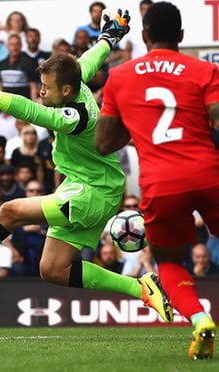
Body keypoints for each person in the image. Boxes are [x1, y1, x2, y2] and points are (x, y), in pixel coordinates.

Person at [0, 9, 173, 326]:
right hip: (87, 185)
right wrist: (109, 37)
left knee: (10, 211)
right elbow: (91, 57)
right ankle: (140, 286)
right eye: (40, 85)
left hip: (93, 193)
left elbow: (33, 113)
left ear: (66, 92)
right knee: (53, 270)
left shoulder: (75, 117)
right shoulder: (76, 76)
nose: (41, 91)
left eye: (46, 87)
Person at [95, 2, 219, 359]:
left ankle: (200, 320)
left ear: (144, 35)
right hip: (208, 174)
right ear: (181, 36)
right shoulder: (205, 70)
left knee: (169, 261)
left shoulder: (119, 77)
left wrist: (140, 127)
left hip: (161, 184)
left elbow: (103, 143)